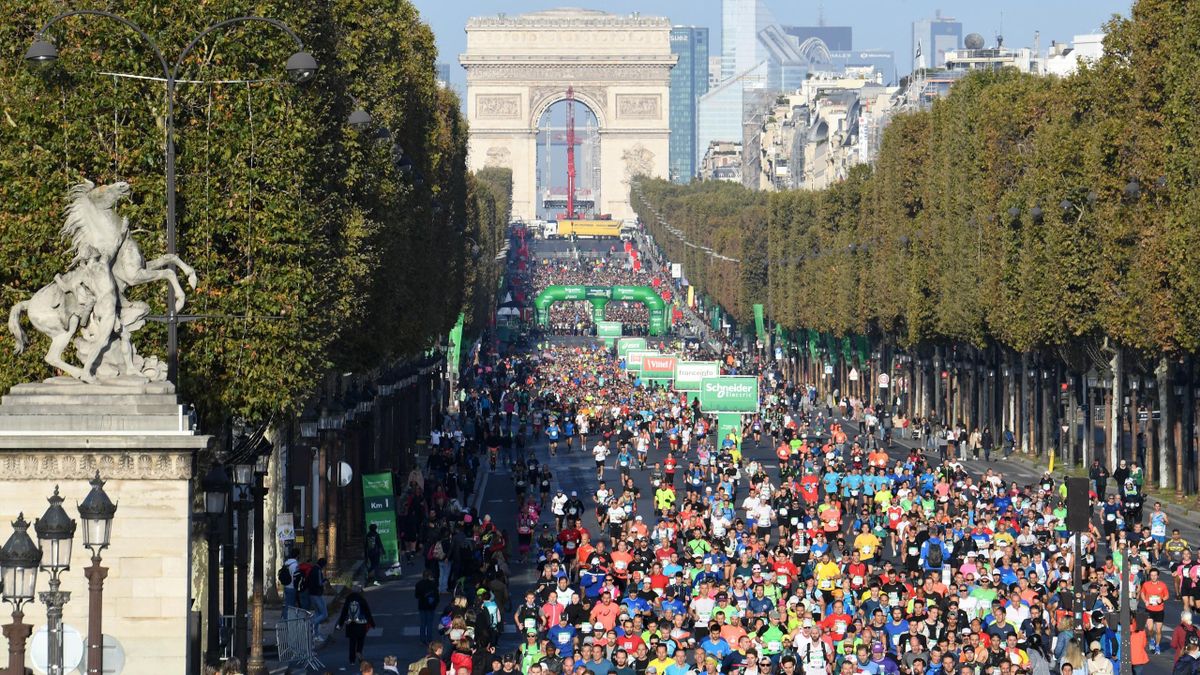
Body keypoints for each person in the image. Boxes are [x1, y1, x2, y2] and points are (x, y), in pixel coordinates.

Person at [336, 585, 376, 665]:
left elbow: (344, 613)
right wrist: (372, 623)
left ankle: (352, 660)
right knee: (361, 640)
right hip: (361, 624)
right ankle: (359, 652)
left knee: (352, 642)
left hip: (351, 624)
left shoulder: (348, 599)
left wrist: (340, 624)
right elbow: (367, 612)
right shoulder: (362, 600)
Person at [415, 569, 441, 643]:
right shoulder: (433, 584)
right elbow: (437, 596)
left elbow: (416, 596)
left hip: (422, 605)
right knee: (430, 623)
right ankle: (429, 639)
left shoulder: (418, 584)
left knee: (423, 623)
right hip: (430, 606)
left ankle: (422, 639)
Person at [308, 558, 330, 639]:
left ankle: (316, 634)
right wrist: (325, 582)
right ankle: (311, 624)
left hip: (312, 594)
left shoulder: (313, 569)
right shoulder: (317, 570)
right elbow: (319, 583)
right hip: (317, 594)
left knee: (317, 613)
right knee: (324, 614)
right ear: (323, 565)